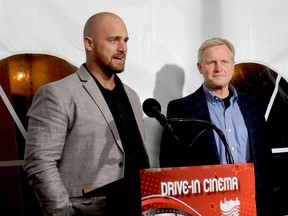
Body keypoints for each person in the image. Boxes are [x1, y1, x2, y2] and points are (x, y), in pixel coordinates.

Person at [23, 12, 150, 216]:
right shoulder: (57, 94)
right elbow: (39, 161)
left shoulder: (132, 96)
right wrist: (63, 213)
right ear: (88, 44)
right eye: (113, 40)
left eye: (125, 40)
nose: (122, 48)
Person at [160, 38, 273, 215]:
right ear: (199, 67)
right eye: (211, 62)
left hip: (254, 204)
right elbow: (170, 164)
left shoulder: (253, 106)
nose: (218, 68)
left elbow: (265, 159)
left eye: (224, 62)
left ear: (233, 65)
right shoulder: (181, 108)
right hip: (205, 206)